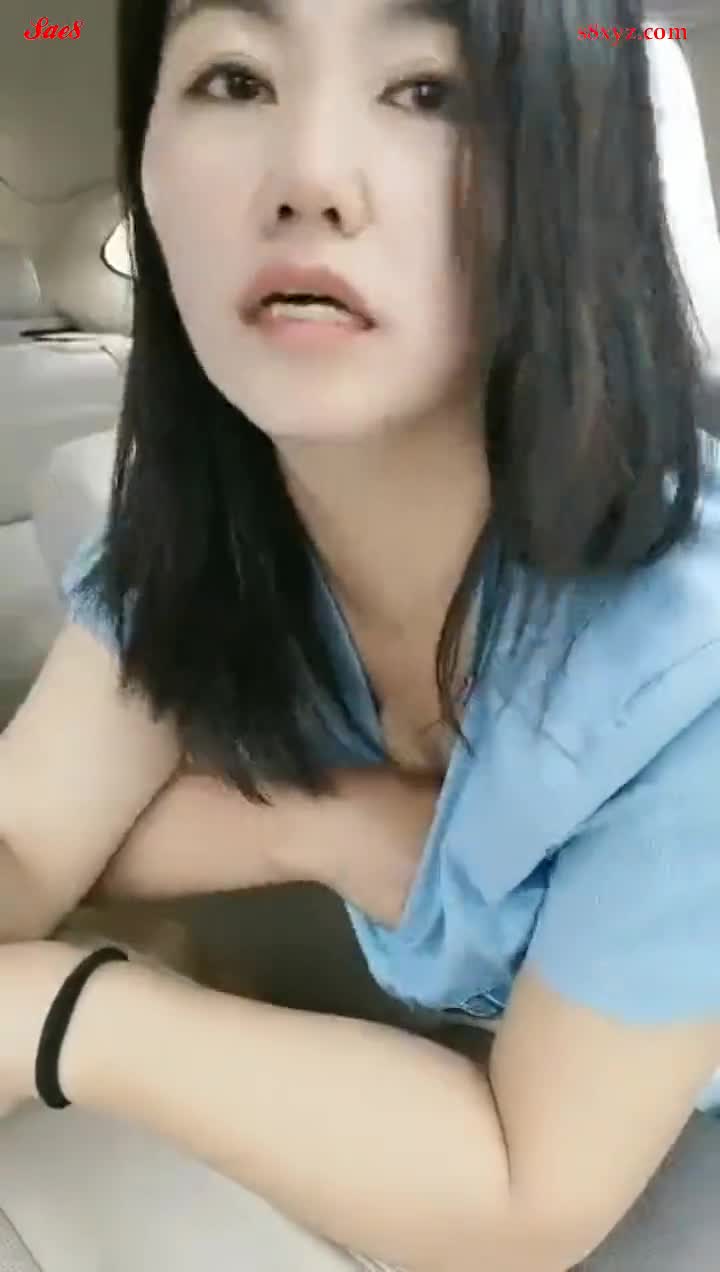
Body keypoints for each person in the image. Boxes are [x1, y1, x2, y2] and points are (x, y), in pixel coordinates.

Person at [0, 0, 718, 1269]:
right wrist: (317, 822)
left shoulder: (685, 652)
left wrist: (61, 1018)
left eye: (430, 92)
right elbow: (25, 840)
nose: (311, 178)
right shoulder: (203, 546)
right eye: (234, 79)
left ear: (574, 179)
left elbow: (523, 1195)